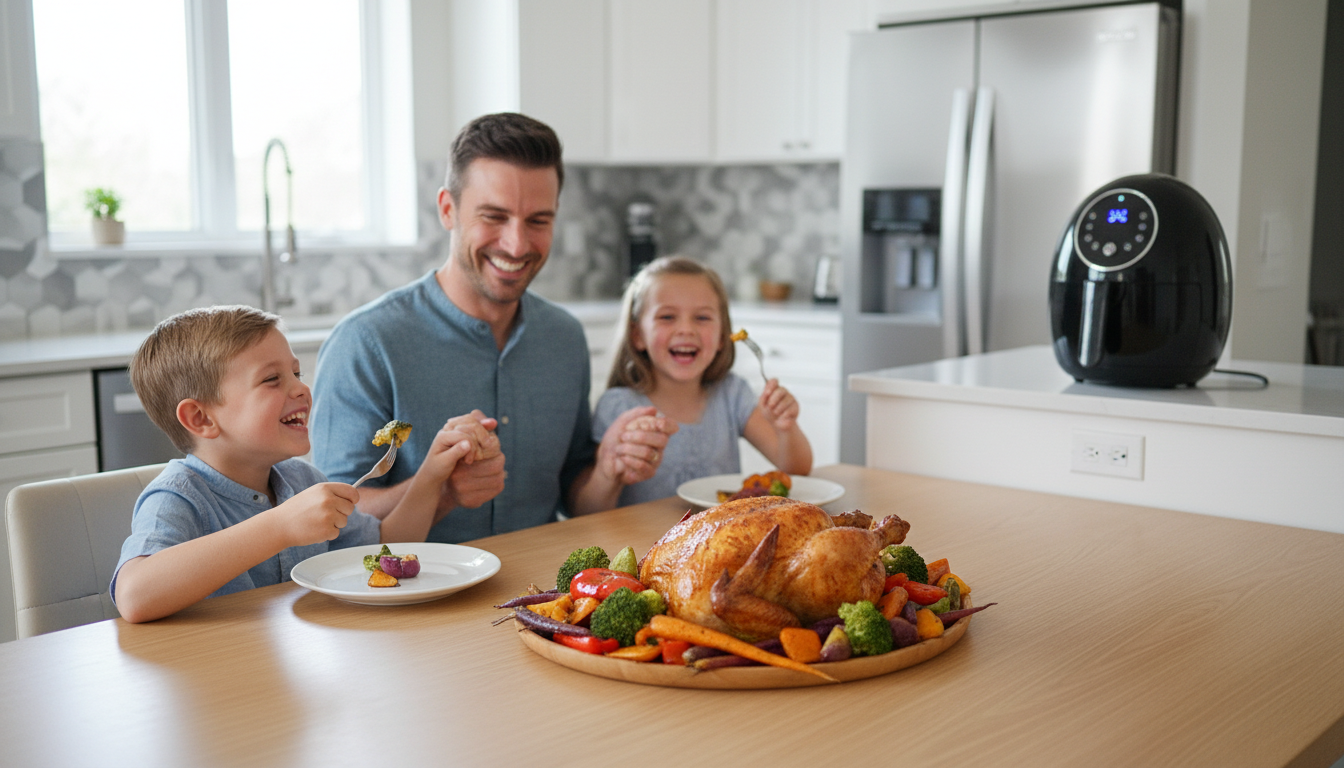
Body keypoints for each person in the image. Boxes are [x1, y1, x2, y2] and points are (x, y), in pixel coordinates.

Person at [310, 112, 674, 541]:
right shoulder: (366, 344)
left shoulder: (564, 338)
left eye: (538, 220)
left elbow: (574, 501)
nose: (517, 244)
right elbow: (335, 516)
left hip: (544, 595)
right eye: (494, 217)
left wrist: (608, 469)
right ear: (448, 210)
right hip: (412, 598)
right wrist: (439, 490)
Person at [112, 306, 485, 624]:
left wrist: (433, 474)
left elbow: (387, 546)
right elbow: (134, 595)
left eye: (296, 373)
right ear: (201, 418)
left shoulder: (302, 480)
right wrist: (280, 526)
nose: (300, 389)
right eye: (272, 379)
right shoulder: (178, 497)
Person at [591, 256, 813, 507]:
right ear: (637, 335)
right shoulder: (618, 407)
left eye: (702, 318)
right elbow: (592, 509)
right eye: (667, 317)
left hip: (721, 540)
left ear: (721, 336)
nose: (686, 329)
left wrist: (786, 428)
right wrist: (608, 472)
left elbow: (797, 470)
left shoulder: (731, 395)